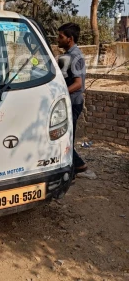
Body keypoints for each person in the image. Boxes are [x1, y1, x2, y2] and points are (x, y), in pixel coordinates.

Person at [57, 23, 88, 175]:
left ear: (69, 39)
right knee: (66, 136)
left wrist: (60, 94)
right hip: (71, 101)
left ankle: (78, 165)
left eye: (61, 37)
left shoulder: (74, 56)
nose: (58, 39)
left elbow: (78, 84)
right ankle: (75, 165)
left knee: (67, 137)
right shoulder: (68, 55)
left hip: (73, 101)